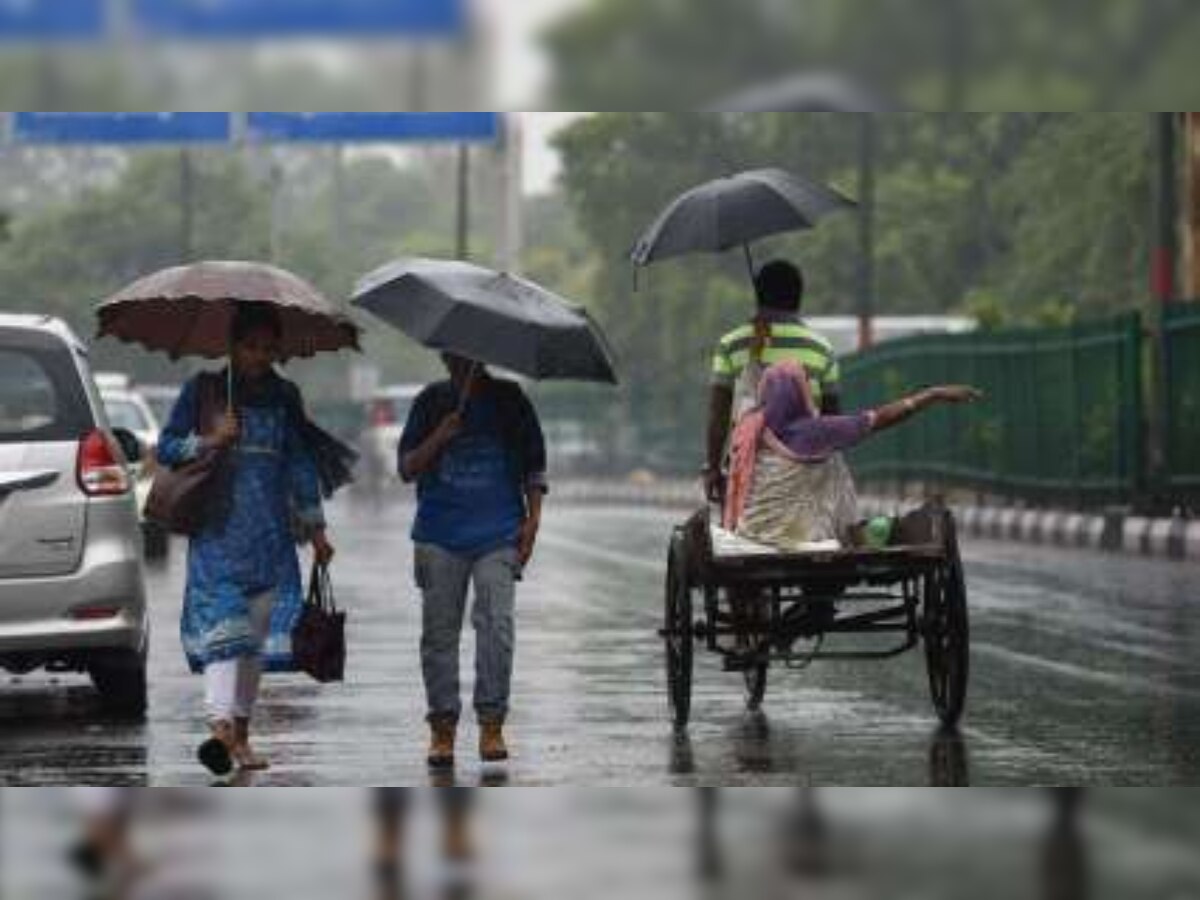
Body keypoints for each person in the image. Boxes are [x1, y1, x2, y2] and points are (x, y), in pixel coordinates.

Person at [158, 302, 345, 778]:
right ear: (233, 346)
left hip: (272, 538)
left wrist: (317, 530)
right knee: (226, 633)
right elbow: (166, 447)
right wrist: (211, 440)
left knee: (255, 643)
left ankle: (240, 735)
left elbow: (300, 465)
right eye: (251, 346)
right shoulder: (203, 391)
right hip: (217, 534)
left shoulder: (285, 396)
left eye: (268, 348)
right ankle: (220, 728)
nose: (260, 356)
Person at [399, 353, 547, 769]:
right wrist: (439, 436)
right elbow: (407, 468)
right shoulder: (430, 401)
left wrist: (534, 519)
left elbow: (534, 464)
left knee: (497, 626)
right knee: (439, 635)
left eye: (467, 354)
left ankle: (491, 723)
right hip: (439, 535)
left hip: (499, 533)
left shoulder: (510, 399)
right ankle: (442, 729)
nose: (457, 361)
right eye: (450, 353)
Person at [724, 361, 981, 550]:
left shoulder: (748, 433)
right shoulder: (818, 431)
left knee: (826, 456)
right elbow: (879, 419)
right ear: (801, 393)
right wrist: (932, 394)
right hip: (803, 539)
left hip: (753, 533)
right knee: (833, 458)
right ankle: (848, 531)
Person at [705, 259, 841, 504]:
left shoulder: (732, 345)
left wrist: (713, 468)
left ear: (757, 296)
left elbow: (719, 414)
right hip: (805, 475)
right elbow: (832, 420)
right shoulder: (822, 349)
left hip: (746, 477)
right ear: (798, 298)